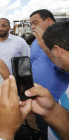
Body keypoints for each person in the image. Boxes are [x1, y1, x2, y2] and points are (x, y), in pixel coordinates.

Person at [0, 21, 69, 140]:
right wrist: (51, 111)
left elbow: (27, 58)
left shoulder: (19, 41)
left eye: (47, 49)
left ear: (58, 50)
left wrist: (1, 133)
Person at [30, 9, 69, 139]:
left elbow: (63, 66)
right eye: (31, 24)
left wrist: (45, 46)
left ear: (48, 21)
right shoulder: (35, 41)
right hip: (38, 97)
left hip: (57, 101)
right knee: (43, 129)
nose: (33, 27)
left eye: (35, 22)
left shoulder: (61, 39)